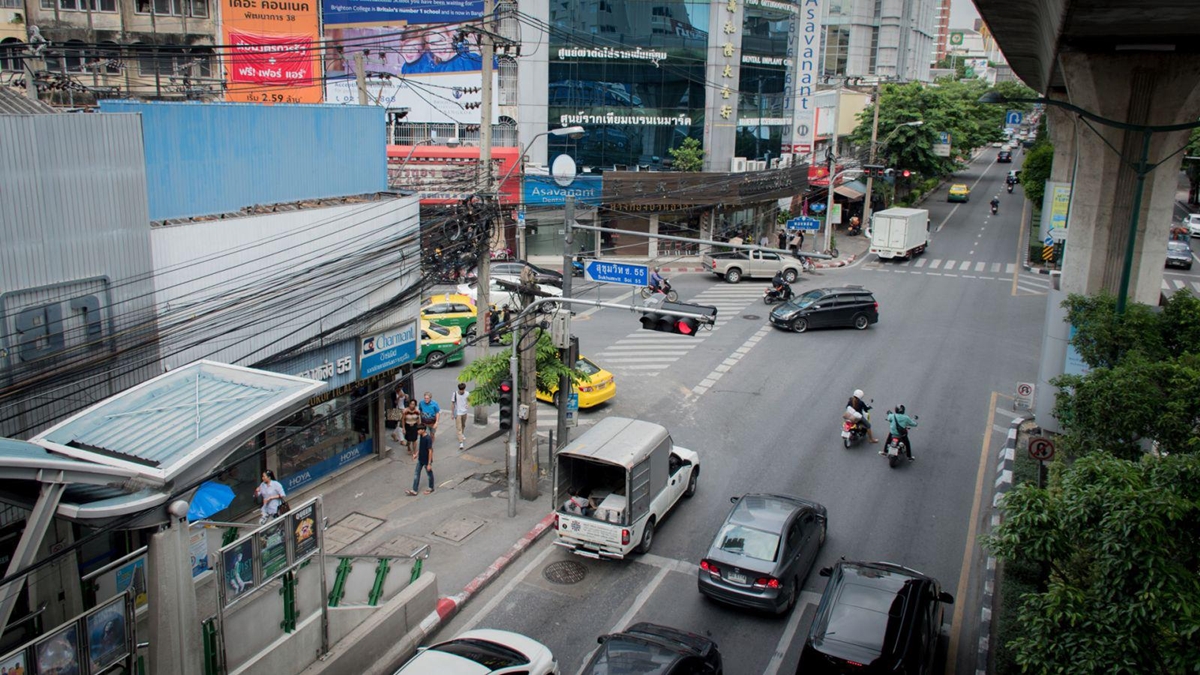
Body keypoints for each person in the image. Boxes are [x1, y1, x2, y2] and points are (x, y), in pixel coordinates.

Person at [406, 426, 435, 495]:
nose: (417, 431)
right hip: (420, 459)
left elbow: (430, 451)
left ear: (423, 430)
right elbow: (421, 447)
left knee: (429, 474)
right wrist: (416, 454)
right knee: (416, 474)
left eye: (419, 430)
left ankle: (431, 487)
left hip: (426, 460)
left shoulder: (428, 439)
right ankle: (414, 490)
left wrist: (429, 463)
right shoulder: (421, 436)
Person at [451, 382, 470, 449]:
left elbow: (469, 400)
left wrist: (468, 404)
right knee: (459, 428)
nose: (462, 391)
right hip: (458, 413)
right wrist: (452, 414)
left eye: (463, 390)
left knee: (463, 425)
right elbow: (453, 404)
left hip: (464, 412)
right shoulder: (455, 394)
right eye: (461, 390)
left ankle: (462, 434)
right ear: (459, 389)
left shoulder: (467, 393)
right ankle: (461, 442)